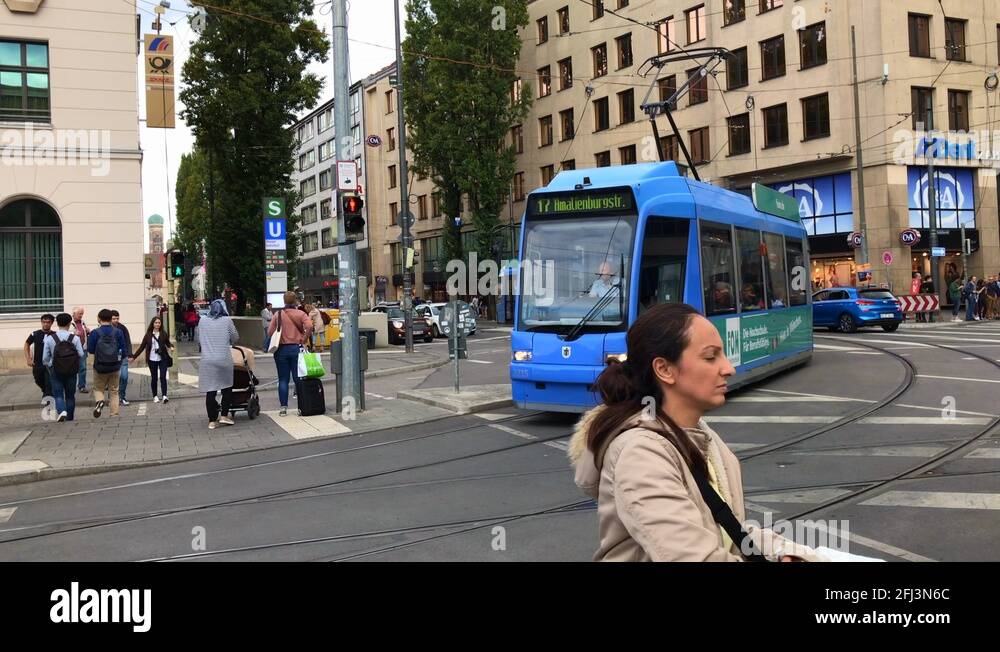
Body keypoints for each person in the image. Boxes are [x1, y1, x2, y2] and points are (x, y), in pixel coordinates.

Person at [568, 303, 823, 562]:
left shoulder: (699, 434)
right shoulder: (640, 454)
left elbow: (725, 531)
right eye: (711, 357)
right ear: (664, 370)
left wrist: (783, 552)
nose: (729, 368)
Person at [267, 290, 313, 417]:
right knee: (298, 379)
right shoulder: (301, 314)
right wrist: (304, 338)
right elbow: (309, 326)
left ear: (284, 301)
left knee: (283, 379)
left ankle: (283, 408)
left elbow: (270, 332)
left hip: (281, 350)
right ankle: (301, 407)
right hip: (296, 348)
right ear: (295, 300)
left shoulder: (278, 314)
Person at [198, 299, 239, 429]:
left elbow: (199, 338)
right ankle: (224, 416)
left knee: (211, 390)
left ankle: (211, 421)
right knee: (227, 388)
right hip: (223, 359)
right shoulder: (227, 321)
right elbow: (235, 338)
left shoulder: (202, 321)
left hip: (207, 360)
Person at [42, 313, 85, 422]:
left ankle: (62, 411)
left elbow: (45, 358)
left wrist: (50, 365)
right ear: (70, 323)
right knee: (70, 396)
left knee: (58, 394)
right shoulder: (74, 338)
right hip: (71, 370)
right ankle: (70, 418)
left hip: (56, 370)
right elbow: (81, 354)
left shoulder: (50, 338)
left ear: (57, 323)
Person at [86, 309, 128, 418]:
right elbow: (124, 350)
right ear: (110, 319)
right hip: (114, 366)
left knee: (98, 388)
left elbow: (90, 350)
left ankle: (100, 401)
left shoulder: (95, 333)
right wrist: (119, 359)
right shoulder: (118, 332)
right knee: (114, 391)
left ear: (99, 319)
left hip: (100, 366)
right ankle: (114, 414)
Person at [131, 316, 174, 404]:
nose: (157, 324)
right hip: (152, 359)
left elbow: (168, 343)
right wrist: (134, 357)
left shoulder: (163, 333)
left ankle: (164, 396)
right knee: (154, 378)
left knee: (163, 377)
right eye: (156, 323)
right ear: (153, 324)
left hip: (162, 358)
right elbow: (142, 347)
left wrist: (171, 347)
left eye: (159, 323)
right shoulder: (148, 335)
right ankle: (155, 396)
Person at [24, 314, 55, 402]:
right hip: (37, 363)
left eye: (48, 322)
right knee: (38, 380)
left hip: (50, 364)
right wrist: (28, 359)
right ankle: (45, 391)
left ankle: (48, 399)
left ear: (51, 323)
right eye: (43, 322)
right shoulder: (35, 334)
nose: (45, 324)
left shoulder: (55, 335)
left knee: (49, 383)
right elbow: (26, 345)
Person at [110, 310, 132, 406]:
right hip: (110, 357)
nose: (116, 320)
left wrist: (130, 354)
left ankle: (122, 396)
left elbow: (128, 341)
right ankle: (113, 397)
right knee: (112, 378)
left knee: (124, 376)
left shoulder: (122, 328)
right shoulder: (107, 328)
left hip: (122, 356)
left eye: (117, 318)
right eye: (113, 318)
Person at [71, 307, 90, 393]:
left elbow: (85, 333)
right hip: (72, 349)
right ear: (74, 314)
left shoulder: (83, 322)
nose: (81, 315)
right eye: (79, 314)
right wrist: (73, 333)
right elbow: (64, 333)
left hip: (83, 348)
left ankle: (82, 386)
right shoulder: (70, 323)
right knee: (71, 368)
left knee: (83, 368)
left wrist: (88, 331)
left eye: (82, 314)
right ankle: (70, 385)